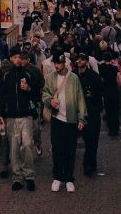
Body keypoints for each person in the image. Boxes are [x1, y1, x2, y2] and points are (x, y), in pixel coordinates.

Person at [42, 53, 86, 193]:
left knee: (70, 150)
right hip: (57, 119)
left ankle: (68, 178)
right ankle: (57, 177)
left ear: (64, 63)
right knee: (57, 149)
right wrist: (50, 100)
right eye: (55, 63)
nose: (57, 66)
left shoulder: (74, 78)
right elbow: (45, 93)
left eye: (59, 63)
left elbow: (80, 98)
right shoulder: (50, 78)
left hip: (71, 119)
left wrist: (81, 118)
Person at [0, 45, 38, 192]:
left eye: (19, 57)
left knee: (27, 145)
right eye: (15, 57)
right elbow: (1, 96)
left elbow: (36, 94)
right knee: (14, 148)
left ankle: (29, 175)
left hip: (26, 115)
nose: (18, 60)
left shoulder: (28, 74)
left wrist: (28, 89)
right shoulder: (6, 76)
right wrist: (0, 115)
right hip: (11, 116)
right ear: (11, 59)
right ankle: (17, 177)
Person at [75, 54, 103, 177]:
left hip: (92, 112)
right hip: (79, 113)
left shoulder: (94, 76)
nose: (79, 61)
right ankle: (89, 165)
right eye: (78, 59)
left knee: (93, 141)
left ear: (86, 62)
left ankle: (90, 164)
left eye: (82, 59)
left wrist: (92, 95)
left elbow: (100, 92)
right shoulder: (73, 75)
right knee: (88, 140)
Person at [20, 49, 44, 157]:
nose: (22, 61)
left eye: (24, 59)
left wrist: (31, 89)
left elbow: (42, 84)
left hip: (34, 101)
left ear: (28, 59)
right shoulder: (17, 71)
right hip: (23, 102)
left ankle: (37, 143)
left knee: (35, 126)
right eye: (21, 59)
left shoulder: (35, 70)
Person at [99, 50, 120, 138]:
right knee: (115, 111)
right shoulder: (115, 68)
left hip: (106, 92)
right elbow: (118, 80)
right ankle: (116, 130)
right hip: (114, 91)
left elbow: (100, 79)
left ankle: (111, 130)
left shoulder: (101, 68)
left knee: (109, 111)